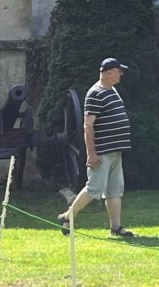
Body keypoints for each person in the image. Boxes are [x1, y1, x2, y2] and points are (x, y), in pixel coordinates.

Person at [57, 58, 136, 238]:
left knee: (114, 190)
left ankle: (116, 228)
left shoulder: (112, 90)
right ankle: (68, 216)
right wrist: (91, 154)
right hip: (102, 151)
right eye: (118, 71)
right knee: (94, 188)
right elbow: (88, 125)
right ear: (108, 73)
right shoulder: (95, 93)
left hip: (115, 150)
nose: (121, 74)